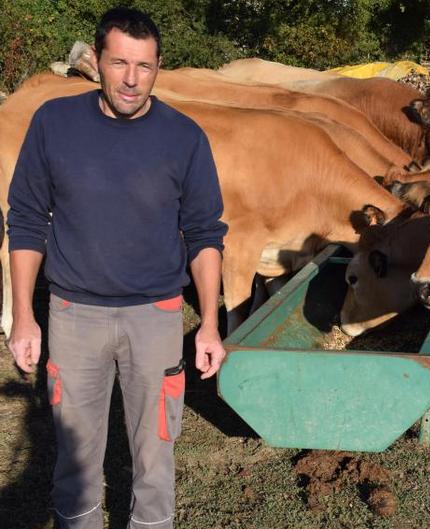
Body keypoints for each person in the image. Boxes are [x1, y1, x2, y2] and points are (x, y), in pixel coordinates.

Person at [7, 8, 227, 529]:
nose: (132, 79)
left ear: (158, 68)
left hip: (156, 317)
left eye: (145, 66)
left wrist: (211, 325)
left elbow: (204, 233)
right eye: (120, 63)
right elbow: (27, 221)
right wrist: (23, 315)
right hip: (74, 315)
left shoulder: (184, 137)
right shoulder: (54, 124)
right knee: (75, 459)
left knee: (155, 457)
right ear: (96, 62)